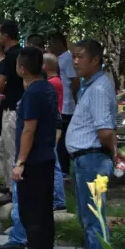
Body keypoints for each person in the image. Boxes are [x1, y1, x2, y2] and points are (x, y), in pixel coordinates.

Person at [63, 39, 117, 249]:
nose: (75, 61)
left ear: (95, 59)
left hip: (93, 159)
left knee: (94, 218)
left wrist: (115, 151)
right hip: (85, 159)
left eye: (80, 56)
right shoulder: (90, 85)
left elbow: (105, 130)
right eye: (74, 56)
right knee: (88, 218)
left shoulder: (99, 88)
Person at [5, 47, 59, 249]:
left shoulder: (33, 93)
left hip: (33, 160)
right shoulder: (47, 88)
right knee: (44, 211)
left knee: (31, 212)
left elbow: (29, 129)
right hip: (46, 156)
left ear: (22, 69)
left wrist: (20, 162)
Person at [0, 19, 27, 249]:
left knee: (11, 153)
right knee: (3, 149)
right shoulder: (21, 54)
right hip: (16, 109)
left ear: (5, 36)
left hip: (12, 111)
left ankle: (13, 192)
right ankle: (9, 187)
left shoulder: (11, 56)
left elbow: (2, 83)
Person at [48, 32, 80, 177]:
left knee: (62, 138)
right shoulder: (59, 58)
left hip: (67, 105)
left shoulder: (67, 58)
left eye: (51, 43)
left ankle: (64, 168)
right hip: (61, 104)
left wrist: (73, 97)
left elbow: (74, 80)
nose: (50, 46)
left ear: (59, 43)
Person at [43, 52, 67, 211]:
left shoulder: (52, 83)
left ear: (45, 66)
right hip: (54, 124)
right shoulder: (56, 81)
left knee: (54, 164)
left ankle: (58, 199)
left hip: (52, 125)